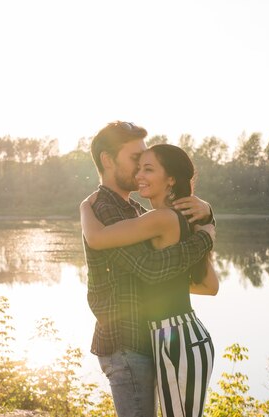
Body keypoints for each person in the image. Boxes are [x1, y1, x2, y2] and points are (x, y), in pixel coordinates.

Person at [80, 120, 216, 417]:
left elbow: (172, 278)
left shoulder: (139, 212)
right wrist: (207, 234)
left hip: (158, 341)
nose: (139, 171)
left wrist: (207, 219)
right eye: (135, 161)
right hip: (127, 344)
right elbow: (151, 270)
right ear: (107, 160)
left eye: (147, 166)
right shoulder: (105, 209)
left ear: (169, 178)